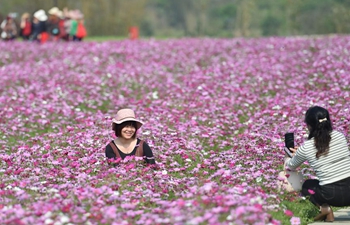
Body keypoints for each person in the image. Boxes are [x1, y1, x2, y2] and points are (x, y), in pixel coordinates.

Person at [284, 106, 350, 222]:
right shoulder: (340, 136)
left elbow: (290, 166)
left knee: (307, 185)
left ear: (309, 126)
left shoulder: (306, 147)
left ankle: (325, 209)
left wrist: (293, 155)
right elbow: (326, 148)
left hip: (331, 196)